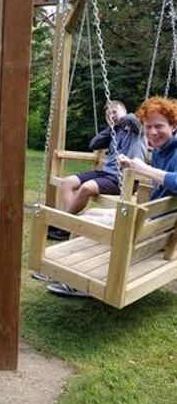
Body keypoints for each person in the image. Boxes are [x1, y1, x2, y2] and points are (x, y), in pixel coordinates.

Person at [45, 96, 177, 297]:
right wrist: (134, 166)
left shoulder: (170, 150)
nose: (152, 132)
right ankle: (62, 270)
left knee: (84, 221)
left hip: (153, 229)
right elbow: (95, 143)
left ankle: (75, 281)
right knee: (93, 212)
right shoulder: (162, 150)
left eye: (158, 126)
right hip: (155, 221)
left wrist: (143, 168)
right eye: (149, 127)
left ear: (173, 125)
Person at [48, 100, 147, 241]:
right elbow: (93, 143)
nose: (111, 116)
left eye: (114, 112)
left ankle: (64, 227)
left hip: (124, 178)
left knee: (85, 188)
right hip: (106, 173)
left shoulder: (137, 128)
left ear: (124, 111)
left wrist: (121, 118)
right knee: (67, 182)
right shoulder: (114, 131)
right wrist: (111, 127)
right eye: (108, 115)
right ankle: (72, 224)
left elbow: (133, 120)